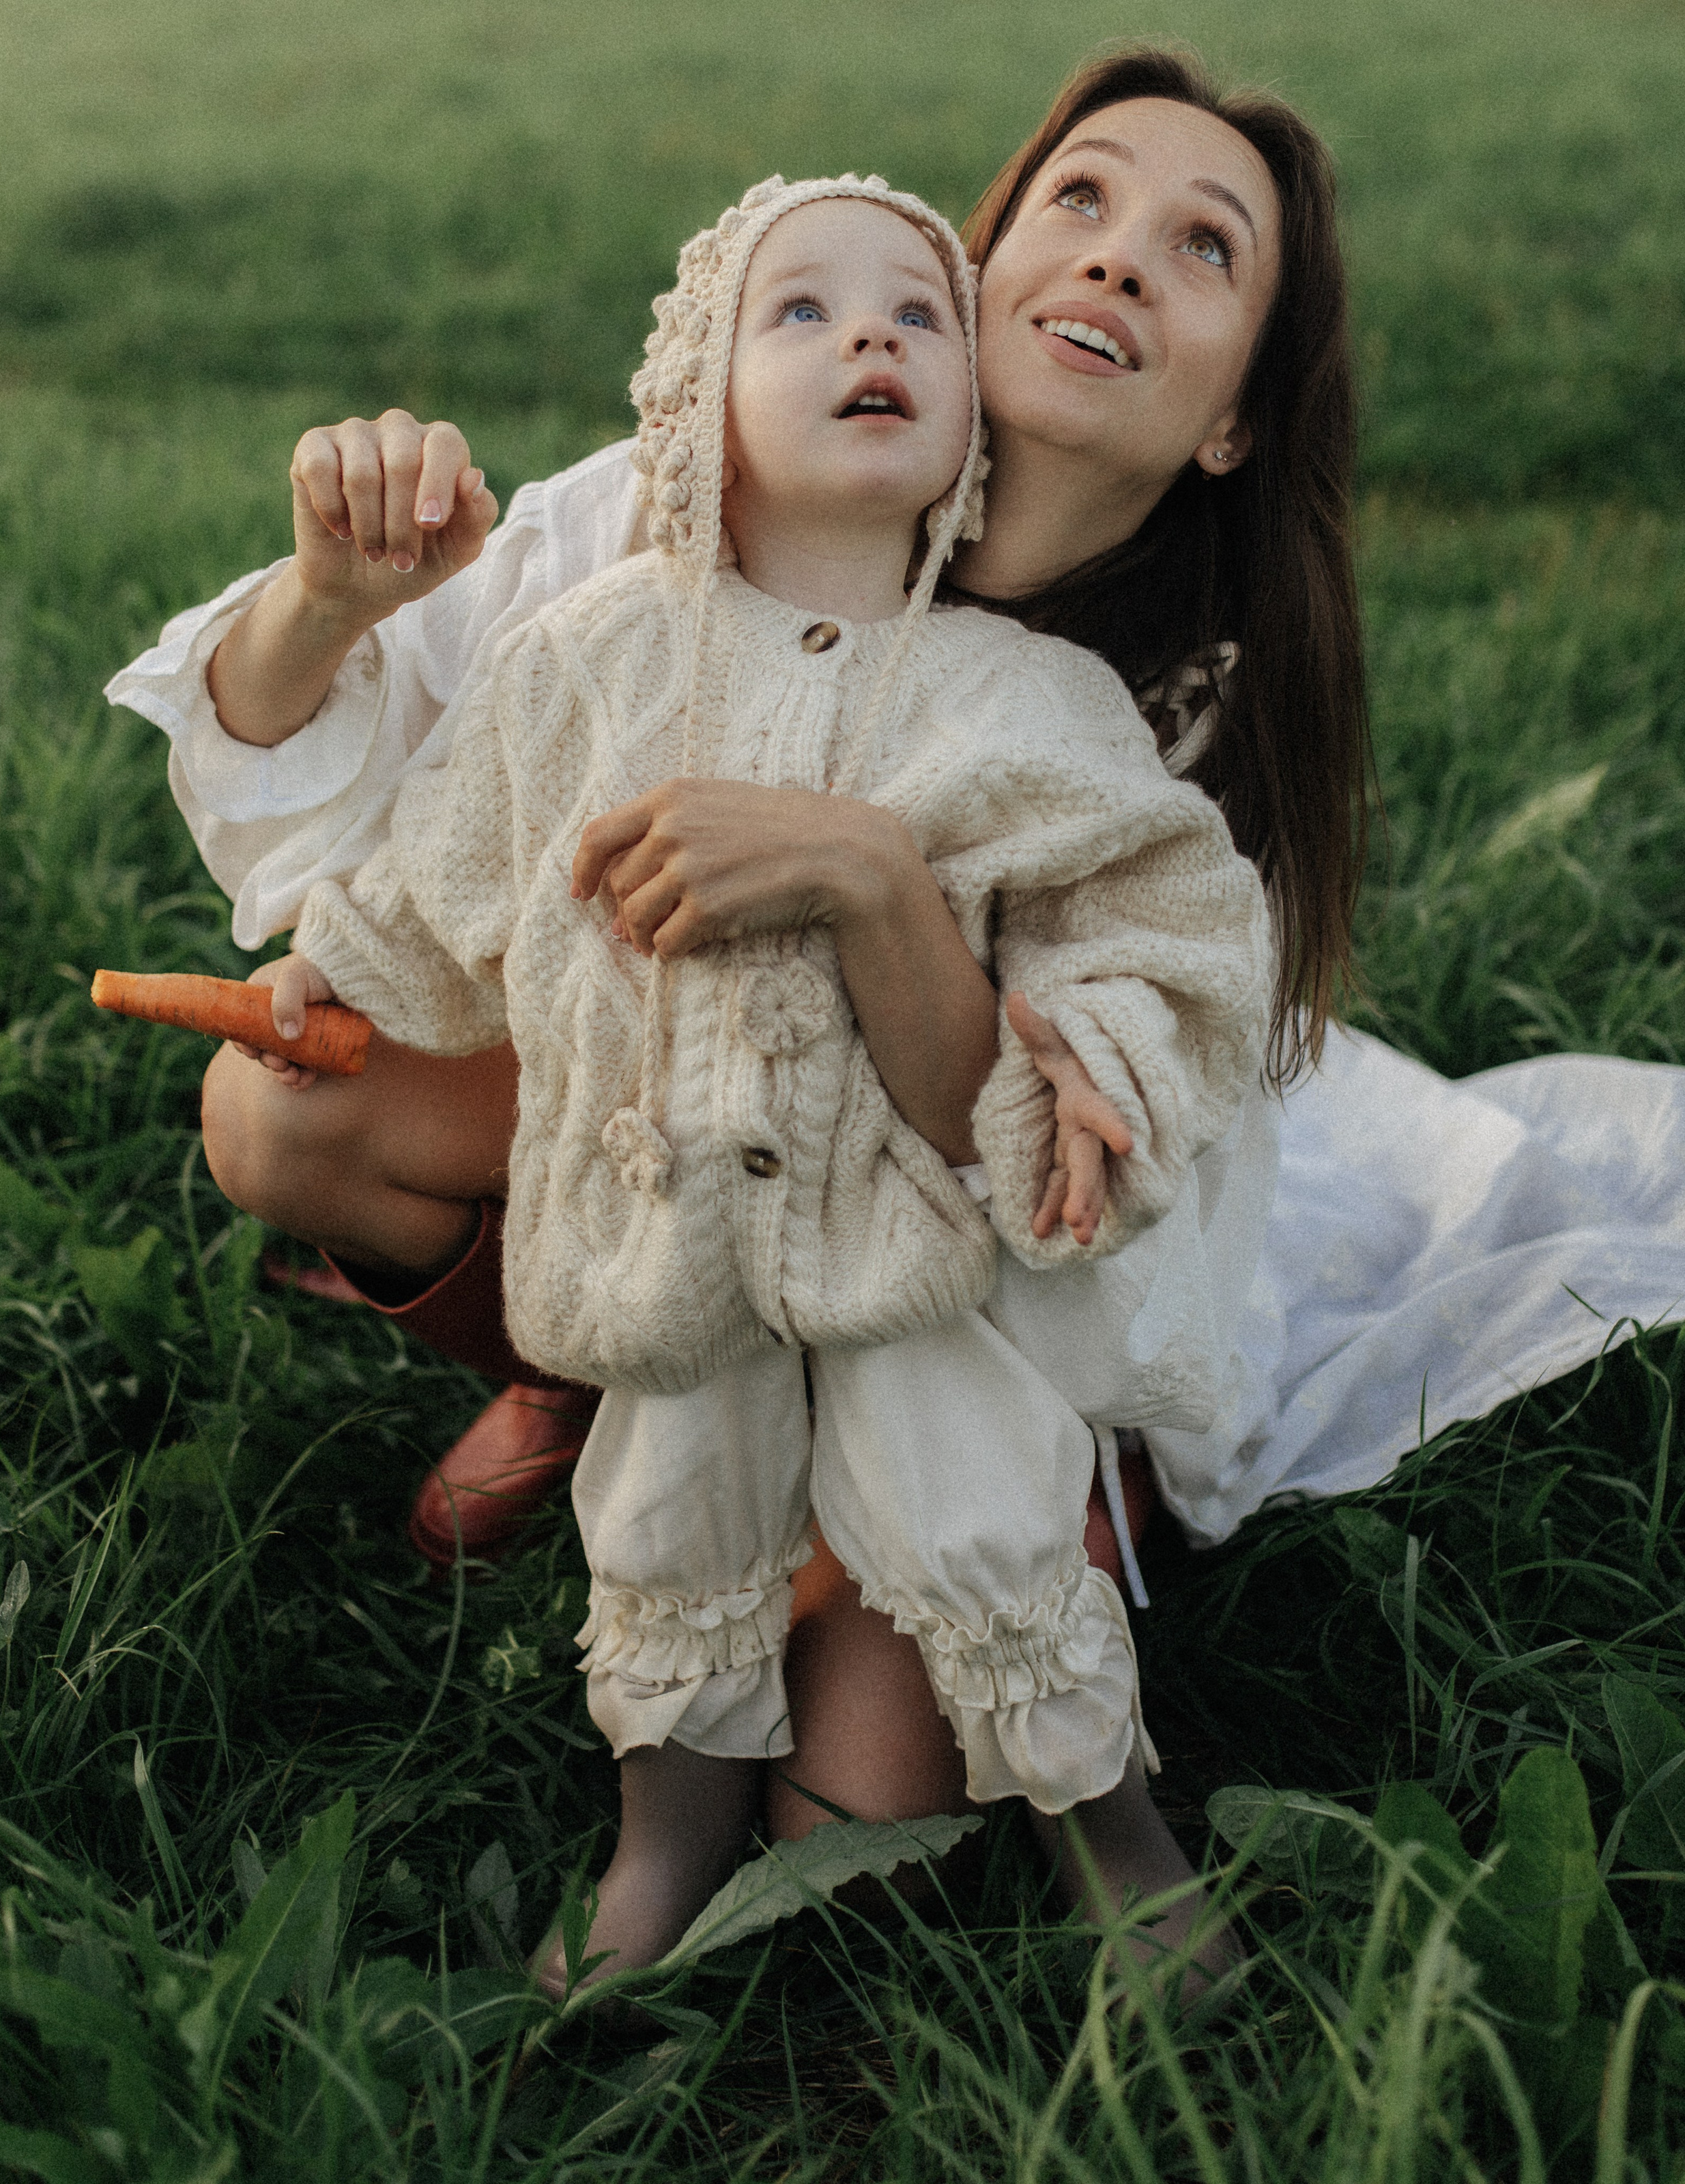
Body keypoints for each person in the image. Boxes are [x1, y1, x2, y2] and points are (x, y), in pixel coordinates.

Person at [105, 44, 1685, 1968]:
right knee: (284, 1104)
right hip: (668, 1147)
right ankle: (590, 1356)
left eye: (1202, 249)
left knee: (860, 1811)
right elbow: (362, 816)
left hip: (965, 1277)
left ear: (1232, 424)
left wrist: (868, 882)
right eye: (1079, 203)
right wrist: (332, 599)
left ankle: (997, 1592)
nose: (1114, 262)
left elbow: (1052, 1189)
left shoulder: (1148, 725)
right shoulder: (710, 499)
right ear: (984, 252)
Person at [271, 170, 1271, 1987]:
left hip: (917, 1257)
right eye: (799, 312)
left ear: (969, 413)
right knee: (667, 1526)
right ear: (699, 403)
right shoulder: (588, 659)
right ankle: (660, 1853)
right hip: (665, 1239)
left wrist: (1111, 1052)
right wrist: (340, 961)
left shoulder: (1024, 697)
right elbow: (450, 856)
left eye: (912, 314)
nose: (868, 336)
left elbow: (1164, 908)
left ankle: (1115, 1837)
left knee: (981, 1522)